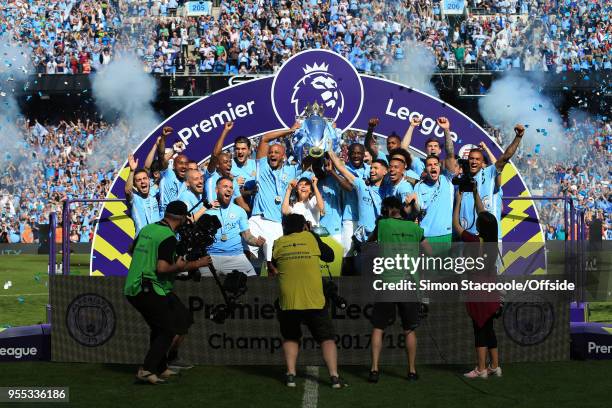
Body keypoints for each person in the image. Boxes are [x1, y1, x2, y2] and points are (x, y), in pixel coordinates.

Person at [124, 201, 212, 384]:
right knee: (166, 329)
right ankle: (147, 369)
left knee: (180, 318)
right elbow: (163, 268)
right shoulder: (168, 237)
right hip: (147, 287)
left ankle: (161, 367)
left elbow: (131, 250)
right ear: (181, 218)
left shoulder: (148, 229)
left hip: (140, 285)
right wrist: (196, 264)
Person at [271, 214, 347, 389]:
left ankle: (290, 374)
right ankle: (334, 377)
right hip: (313, 299)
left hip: (289, 300)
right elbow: (329, 256)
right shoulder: (311, 237)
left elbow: (275, 262)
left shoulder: (278, 242)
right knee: (326, 338)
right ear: (304, 226)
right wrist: (311, 233)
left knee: (290, 337)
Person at [367, 196, 431, 383]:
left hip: (387, 281)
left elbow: (369, 244)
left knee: (378, 327)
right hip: (409, 282)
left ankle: (374, 369)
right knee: (409, 329)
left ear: (388, 209)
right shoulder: (415, 228)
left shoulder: (383, 225)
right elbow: (429, 250)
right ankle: (411, 370)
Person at [453, 186, 502, 379]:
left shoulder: (474, 241)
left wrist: (458, 201)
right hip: (491, 291)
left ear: (480, 226)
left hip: (477, 290)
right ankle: (495, 366)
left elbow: (456, 225)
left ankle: (481, 368)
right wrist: (474, 194)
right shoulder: (491, 242)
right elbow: (484, 215)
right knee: (489, 328)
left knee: (479, 329)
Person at [249, 122, 301, 269]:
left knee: (274, 264)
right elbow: (265, 139)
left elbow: (308, 160)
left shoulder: (291, 171)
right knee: (250, 259)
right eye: (270, 152)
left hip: (275, 223)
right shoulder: (263, 166)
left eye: (276, 152)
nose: (272, 154)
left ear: (283, 156)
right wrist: (289, 131)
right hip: (256, 219)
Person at [459, 124, 525, 239]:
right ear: (468, 160)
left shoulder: (489, 173)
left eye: (477, 159)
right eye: (471, 158)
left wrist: (518, 138)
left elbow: (505, 157)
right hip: (468, 237)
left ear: (482, 162)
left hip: (490, 238)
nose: (474, 161)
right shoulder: (463, 180)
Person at [200, 177, 265, 276]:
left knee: (253, 282)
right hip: (211, 257)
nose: (229, 189)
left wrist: (256, 242)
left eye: (231, 187)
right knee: (201, 287)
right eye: (225, 186)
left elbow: (247, 235)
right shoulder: (207, 210)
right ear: (216, 190)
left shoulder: (239, 211)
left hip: (236, 256)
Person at [409, 117, 457, 243]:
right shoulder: (419, 186)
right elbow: (418, 210)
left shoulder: (447, 179)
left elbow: (450, 154)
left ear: (440, 166)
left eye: (435, 164)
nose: (433, 167)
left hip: (446, 234)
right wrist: (412, 204)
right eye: (429, 165)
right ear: (425, 168)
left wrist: (446, 129)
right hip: (425, 236)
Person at [206, 122, 250, 212]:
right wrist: (225, 131)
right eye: (226, 162)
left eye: (230, 162)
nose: (229, 164)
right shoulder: (211, 175)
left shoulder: (231, 182)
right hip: (210, 216)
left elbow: (242, 205)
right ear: (217, 164)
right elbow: (215, 154)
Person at [339, 143, 370, 255]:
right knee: (347, 251)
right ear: (348, 154)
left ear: (363, 155)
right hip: (350, 218)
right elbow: (349, 188)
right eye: (353, 153)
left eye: (359, 153)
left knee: (367, 252)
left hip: (368, 219)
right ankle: (347, 273)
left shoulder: (371, 170)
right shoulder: (342, 170)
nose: (356, 156)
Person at [125, 154, 161, 235]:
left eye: (144, 178)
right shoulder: (134, 198)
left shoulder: (154, 191)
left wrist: (156, 145)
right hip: (142, 239)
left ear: (149, 180)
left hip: (158, 237)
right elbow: (128, 191)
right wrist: (132, 171)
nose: (142, 182)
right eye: (138, 180)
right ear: (134, 184)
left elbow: (147, 167)